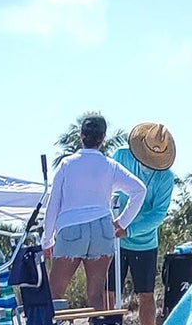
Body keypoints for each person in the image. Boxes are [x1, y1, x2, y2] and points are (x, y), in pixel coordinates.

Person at [43, 114, 145, 310]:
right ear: (103, 137)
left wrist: (47, 239)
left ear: (81, 135)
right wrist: (122, 222)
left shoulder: (67, 164)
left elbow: (53, 204)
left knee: (54, 291)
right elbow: (139, 190)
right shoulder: (110, 165)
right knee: (96, 294)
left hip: (71, 227)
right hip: (102, 228)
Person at [114, 122, 177, 325]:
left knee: (146, 293)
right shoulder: (121, 157)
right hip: (114, 238)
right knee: (109, 290)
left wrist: (128, 228)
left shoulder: (166, 178)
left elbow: (158, 213)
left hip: (144, 241)